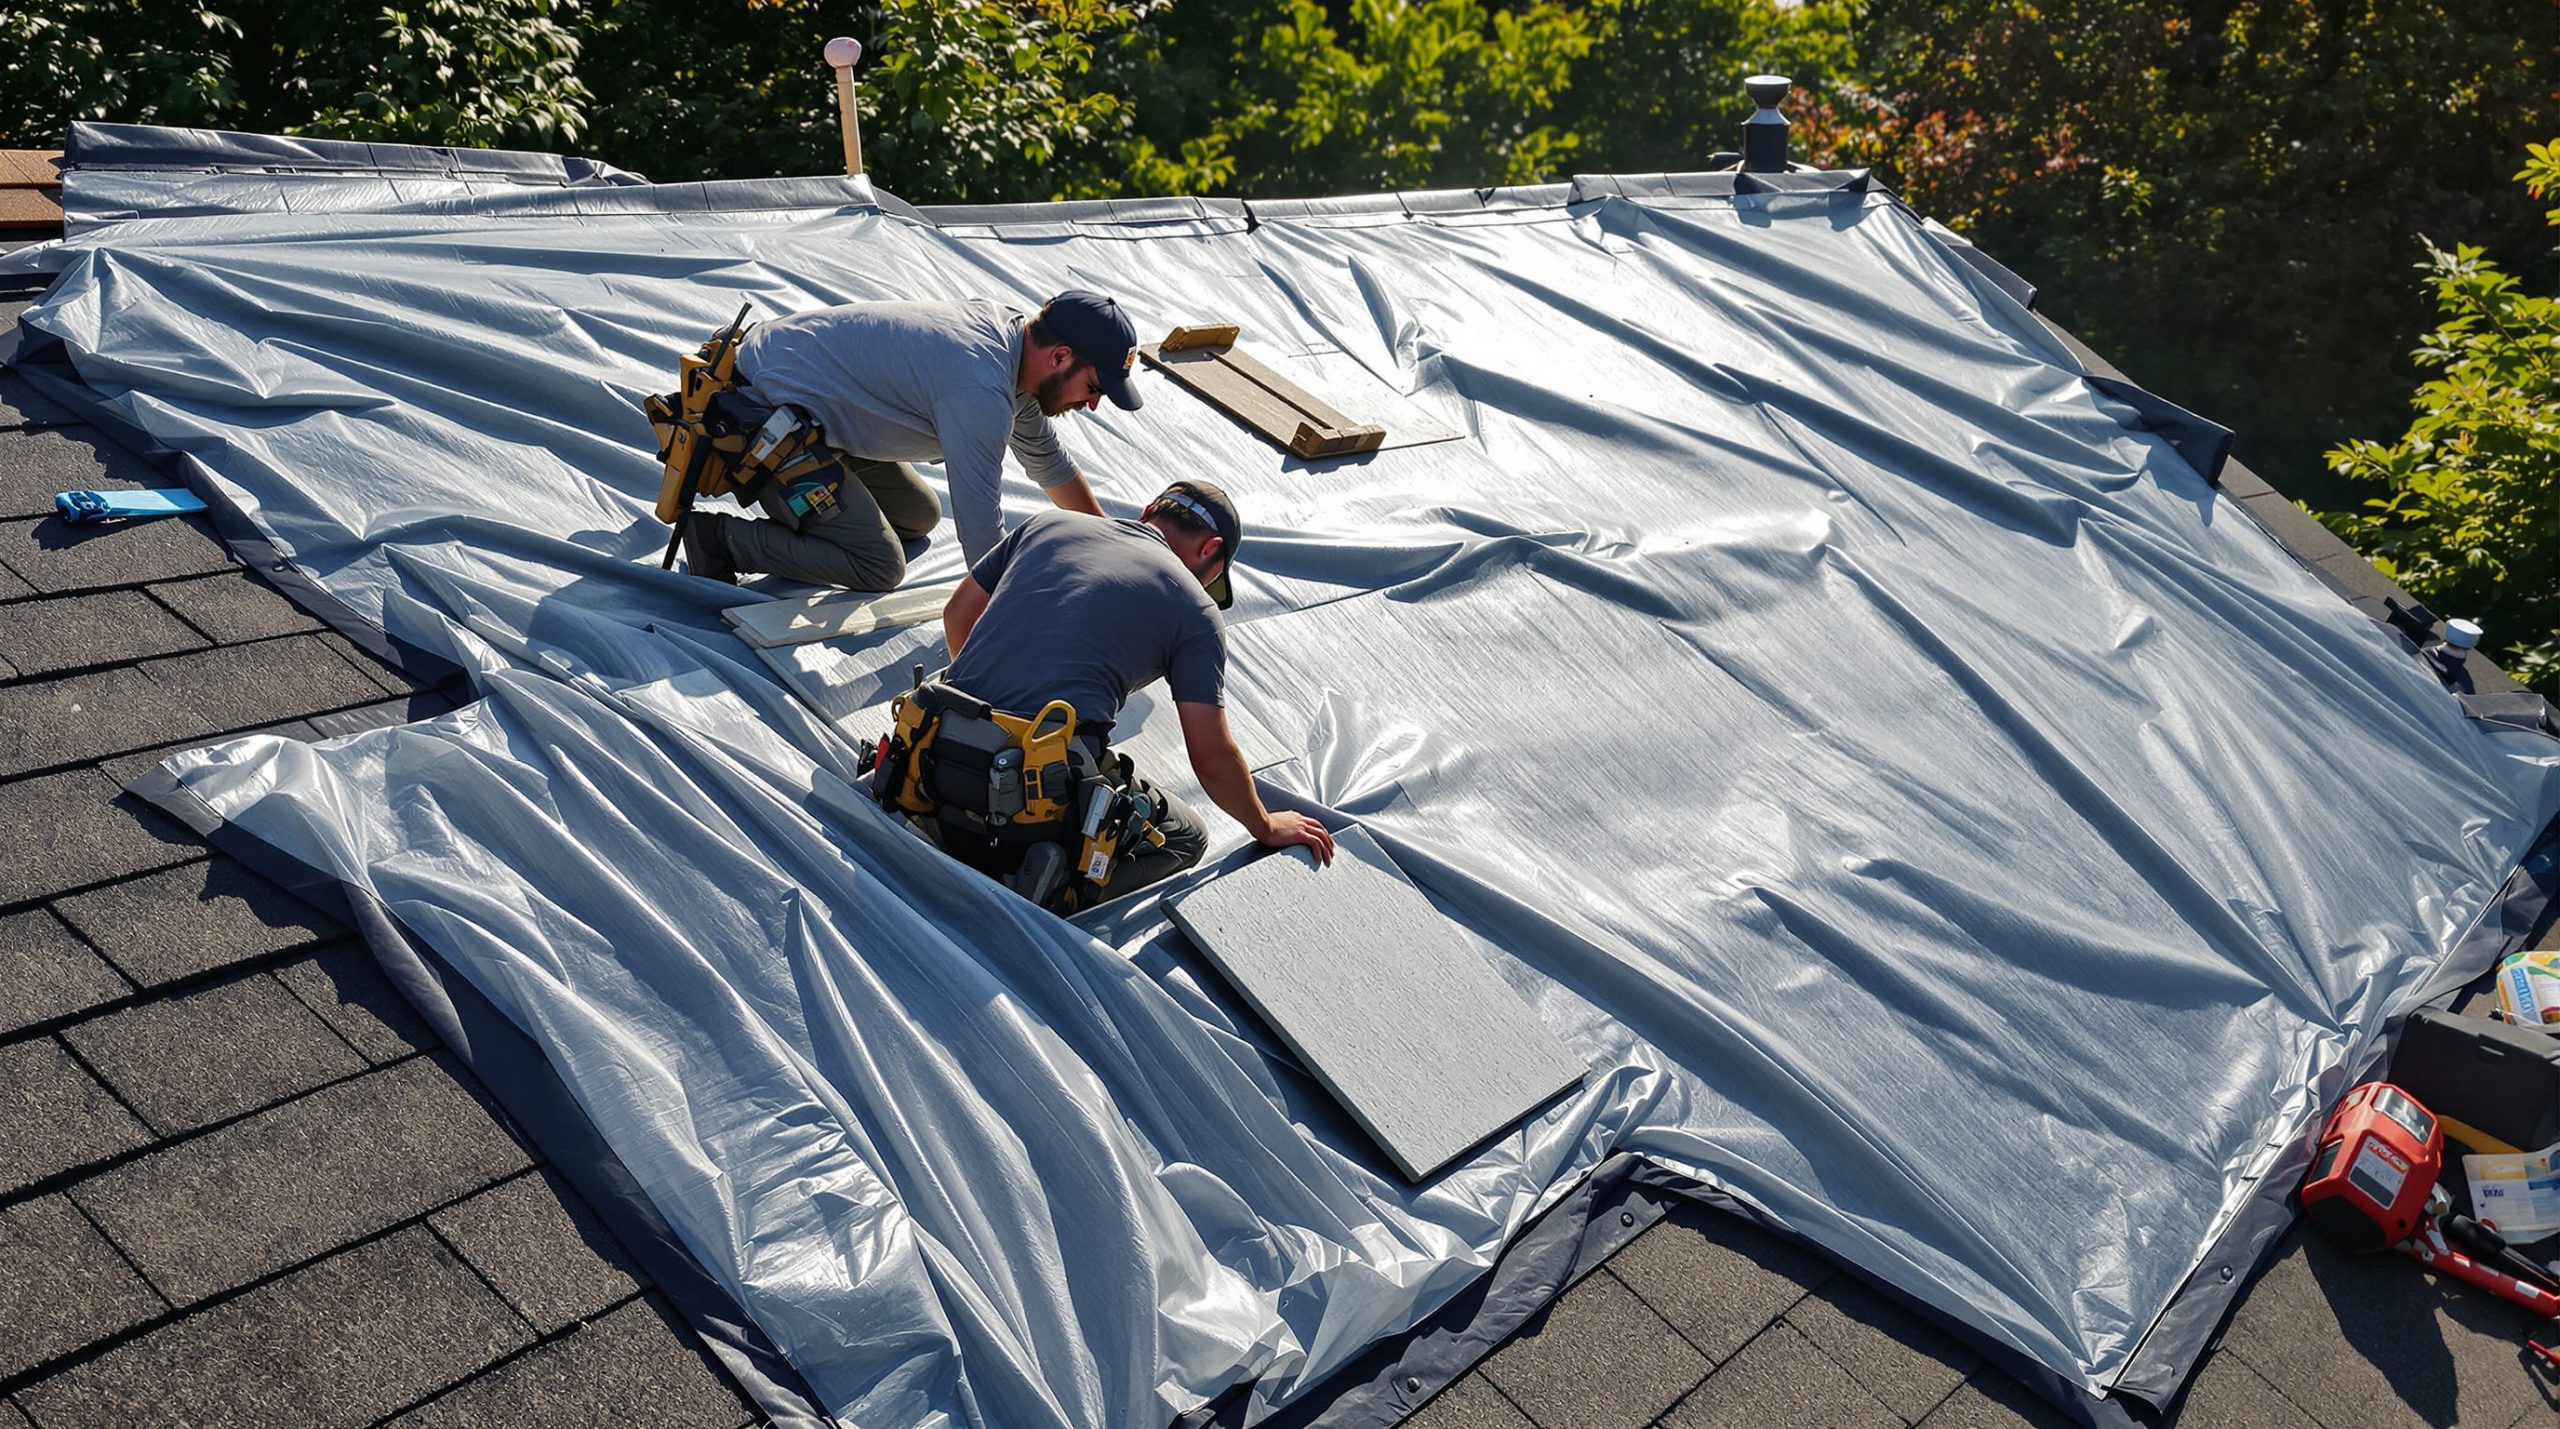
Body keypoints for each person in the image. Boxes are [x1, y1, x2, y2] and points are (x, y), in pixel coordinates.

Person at [936, 479, 1334, 901]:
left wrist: (988, 711)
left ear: (1148, 511)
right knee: (1185, 836)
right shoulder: (1195, 611)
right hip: (1027, 798)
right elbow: (1212, 758)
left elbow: (957, 615)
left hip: (936, 745)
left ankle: (940, 817)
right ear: (1210, 550)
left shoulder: (1047, 525)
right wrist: (1266, 826)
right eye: (1212, 579)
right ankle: (1055, 887)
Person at [681, 289, 1142, 590]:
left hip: (814, 408)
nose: (1094, 404)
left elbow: (1049, 463)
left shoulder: (1012, 343)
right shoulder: (979, 389)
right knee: (879, 565)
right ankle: (720, 539)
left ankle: (825, 519)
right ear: (1060, 357)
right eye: (1095, 388)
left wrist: (1109, 546)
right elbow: (982, 539)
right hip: (759, 421)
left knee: (920, 516)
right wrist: (1034, 617)